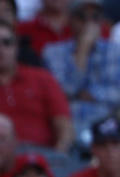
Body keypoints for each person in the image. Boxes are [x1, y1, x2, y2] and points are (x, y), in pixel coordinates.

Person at [0, 19, 74, 151]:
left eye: (7, 42)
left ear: (16, 47)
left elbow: (64, 125)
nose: (0, 49)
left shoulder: (43, 79)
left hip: (42, 158)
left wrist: (59, 154)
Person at [43, 0, 120, 137]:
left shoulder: (115, 51)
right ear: (70, 19)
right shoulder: (53, 52)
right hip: (68, 124)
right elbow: (64, 91)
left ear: (101, 21)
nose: (89, 23)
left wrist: (93, 94)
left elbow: (117, 93)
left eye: (95, 17)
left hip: (106, 123)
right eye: (82, 17)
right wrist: (83, 50)